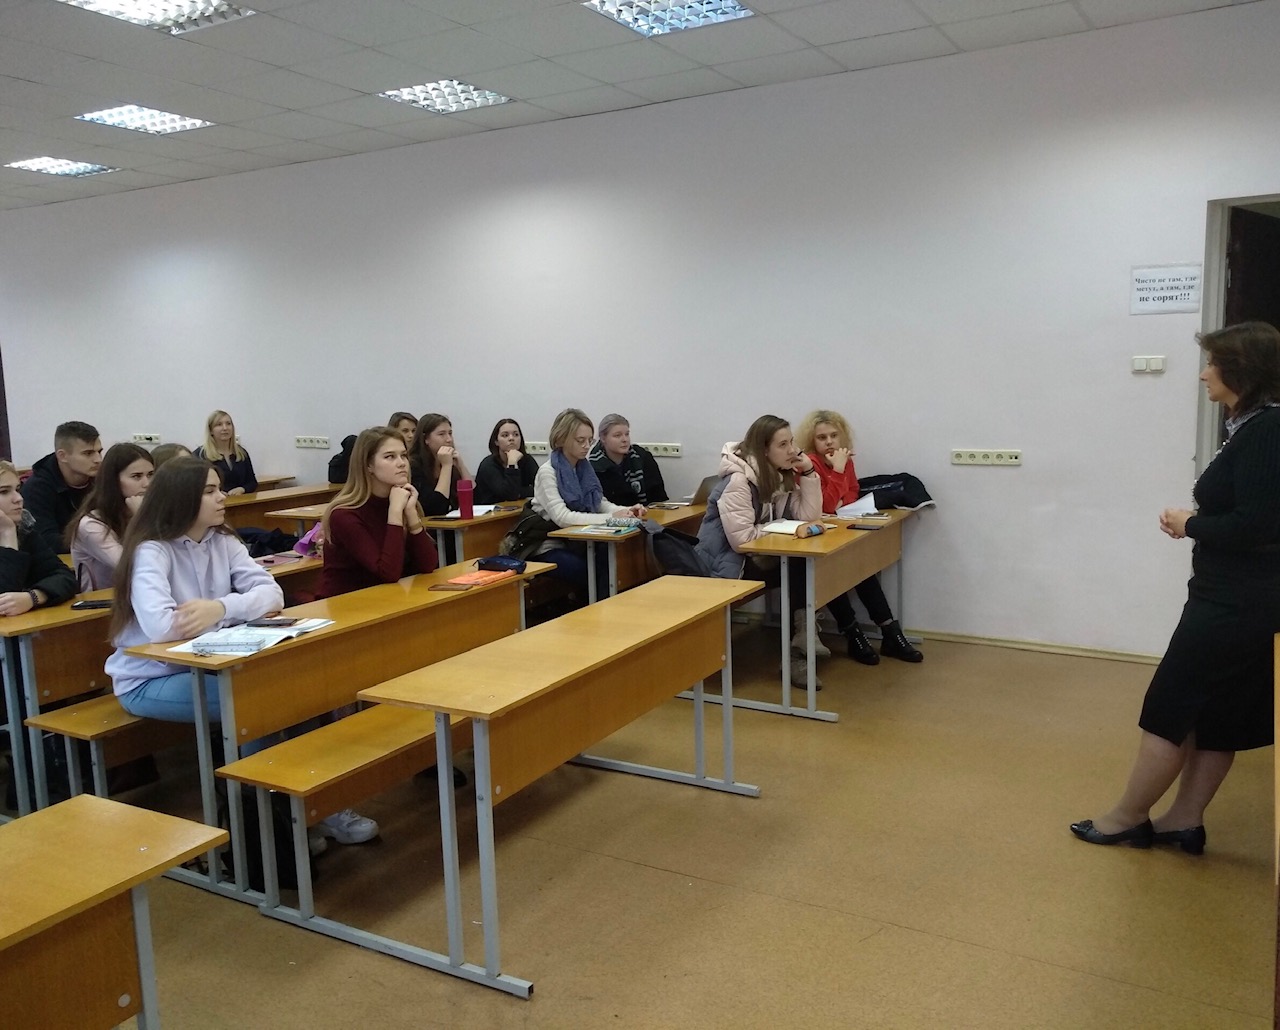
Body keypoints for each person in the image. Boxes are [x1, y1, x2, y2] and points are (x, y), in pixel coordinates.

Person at [1071, 322, 1280, 854]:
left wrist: (1191, 524)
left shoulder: (1267, 430)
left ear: (1242, 370)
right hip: (1245, 597)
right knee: (1220, 713)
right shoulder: (1254, 426)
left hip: (1236, 601)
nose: (1204, 374)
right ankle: (1183, 820)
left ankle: (1126, 818)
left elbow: (1257, 525)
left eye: (1212, 363)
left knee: (1170, 704)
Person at [104, 457, 376, 848]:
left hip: (215, 667)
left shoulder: (223, 540)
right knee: (257, 701)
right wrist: (232, 611)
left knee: (300, 692)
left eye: (220, 489)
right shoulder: (152, 550)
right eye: (210, 491)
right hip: (151, 679)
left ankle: (314, 808)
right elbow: (161, 627)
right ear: (181, 498)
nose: (222, 498)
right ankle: (270, 828)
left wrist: (219, 609)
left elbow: (272, 594)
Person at [695, 415, 824, 685]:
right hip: (726, 565)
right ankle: (799, 650)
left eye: (792, 443)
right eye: (783, 445)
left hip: (753, 558)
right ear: (764, 451)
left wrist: (809, 473)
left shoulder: (777, 477)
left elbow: (809, 516)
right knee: (798, 566)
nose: (792, 451)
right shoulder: (738, 482)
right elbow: (742, 540)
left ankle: (801, 644)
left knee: (808, 565)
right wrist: (783, 529)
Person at [796, 409, 922, 665]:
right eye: (822, 437)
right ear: (812, 440)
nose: (829, 442)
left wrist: (840, 490)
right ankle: (852, 633)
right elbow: (827, 504)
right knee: (833, 572)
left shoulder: (844, 459)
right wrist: (838, 471)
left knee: (862, 569)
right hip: (813, 536)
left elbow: (852, 493)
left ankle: (890, 631)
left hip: (839, 528)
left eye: (834, 436)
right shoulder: (810, 464)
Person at [318, 427, 438, 597]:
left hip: (389, 597)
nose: (402, 463)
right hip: (347, 602)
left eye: (404, 455)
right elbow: (387, 573)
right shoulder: (344, 515)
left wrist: (411, 513)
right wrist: (395, 512)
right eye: (390, 457)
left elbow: (428, 565)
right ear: (368, 465)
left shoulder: (401, 500)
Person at [532, 408, 645, 588]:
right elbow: (563, 517)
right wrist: (611, 518)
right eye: (580, 440)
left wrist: (625, 511)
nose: (587, 446)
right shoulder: (548, 472)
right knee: (590, 571)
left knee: (613, 559)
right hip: (548, 545)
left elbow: (599, 503)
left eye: (589, 440)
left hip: (577, 541)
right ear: (562, 439)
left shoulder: (584, 467)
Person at [66, 442, 154, 590]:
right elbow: (134, 567)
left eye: (151, 475)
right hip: (102, 601)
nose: (147, 483)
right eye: (136, 476)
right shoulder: (91, 525)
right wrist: (142, 519)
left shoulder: (151, 511)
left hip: (141, 593)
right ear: (114, 481)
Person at [0, 460, 77, 615]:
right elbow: (3, 602)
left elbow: (65, 577)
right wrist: (8, 534)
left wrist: (33, 597)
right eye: (4, 492)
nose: (18, 498)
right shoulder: (13, 529)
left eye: (18, 489)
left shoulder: (24, 531)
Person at [22, 420, 102, 554]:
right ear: (62, 456)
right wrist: (99, 541)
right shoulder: (37, 488)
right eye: (88, 453)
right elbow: (46, 540)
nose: (98, 459)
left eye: (99, 451)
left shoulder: (102, 480)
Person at [588, 413, 669, 507]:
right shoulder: (594, 467)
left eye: (627, 434)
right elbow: (598, 505)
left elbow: (659, 498)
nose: (625, 439)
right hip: (613, 515)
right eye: (617, 435)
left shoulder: (642, 457)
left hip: (647, 512)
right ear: (603, 438)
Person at [409, 413, 471, 517]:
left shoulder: (450, 461)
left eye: (450, 433)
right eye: (441, 434)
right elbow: (436, 508)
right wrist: (446, 467)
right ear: (426, 439)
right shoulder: (414, 466)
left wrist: (461, 466)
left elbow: (476, 499)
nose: (449, 439)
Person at [474, 417, 538, 504]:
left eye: (516, 435)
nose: (511, 438)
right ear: (496, 441)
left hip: (518, 508)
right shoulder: (488, 465)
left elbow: (542, 488)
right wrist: (512, 464)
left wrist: (518, 493)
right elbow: (509, 495)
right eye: (505, 435)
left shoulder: (527, 460)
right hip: (490, 511)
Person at [194, 410, 257, 495]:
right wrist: (215, 492)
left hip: (240, 500)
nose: (225, 428)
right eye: (219, 424)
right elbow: (195, 486)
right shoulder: (200, 455)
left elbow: (252, 482)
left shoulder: (241, 453)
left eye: (228, 424)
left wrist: (242, 489)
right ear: (211, 430)